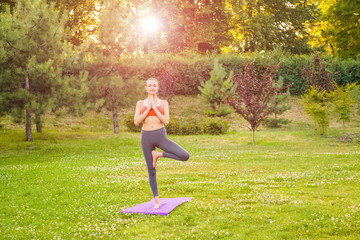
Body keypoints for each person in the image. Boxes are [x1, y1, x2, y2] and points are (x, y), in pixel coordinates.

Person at [134, 78, 190, 209]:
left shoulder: (163, 103)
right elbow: (136, 121)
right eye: (149, 85)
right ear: (146, 88)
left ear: (158, 88)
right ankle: (157, 201)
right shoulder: (140, 103)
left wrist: (155, 108)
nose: (152, 87)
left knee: (184, 155)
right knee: (151, 170)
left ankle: (158, 154)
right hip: (146, 137)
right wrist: (148, 108)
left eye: (154, 85)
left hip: (160, 136)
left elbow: (166, 121)